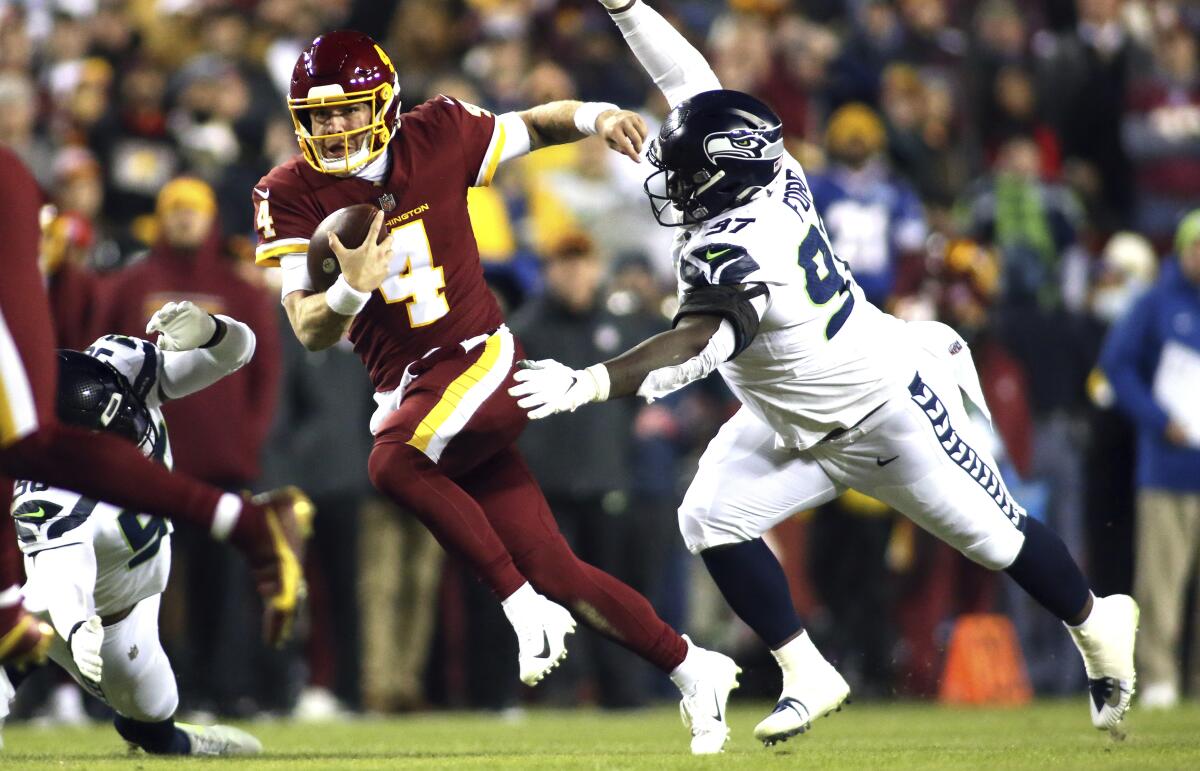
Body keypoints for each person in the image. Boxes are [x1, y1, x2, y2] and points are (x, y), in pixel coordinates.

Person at [510, 0, 1138, 746]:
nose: (668, 185)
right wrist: (625, 7)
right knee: (708, 517)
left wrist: (588, 381)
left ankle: (1101, 624)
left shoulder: (739, 247)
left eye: (683, 177)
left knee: (1000, 541)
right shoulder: (767, 167)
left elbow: (696, 343)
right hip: (790, 417)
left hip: (885, 412)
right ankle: (807, 670)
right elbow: (691, 81)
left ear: (719, 181)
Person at [251, 30, 737, 754]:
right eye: (319, 118)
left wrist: (599, 115)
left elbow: (537, 123)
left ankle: (519, 607)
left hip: (479, 360)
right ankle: (695, 665)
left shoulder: (439, 133)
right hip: (413, 392)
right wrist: (352, 287)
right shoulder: (288, 191)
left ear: (383, 103)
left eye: (348, 110)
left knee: (390, 463)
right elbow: (309, 326)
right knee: (557, 567)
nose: (334, 129)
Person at [0, 145, 305, 668]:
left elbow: (254, 360)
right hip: (126, 471)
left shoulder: (234, 285)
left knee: (31, 450)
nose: (185, 219)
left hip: (174, 460)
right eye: (176, 209)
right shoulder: (132, 281)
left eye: (195, 209)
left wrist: (246, 437)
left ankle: (223, 675)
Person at [1, 301, 276, 755]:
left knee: (152, 715)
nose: (129, 440)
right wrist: (75, 628)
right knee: (24, 627)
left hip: (135, 595)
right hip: (81, 611)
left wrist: (211, 330)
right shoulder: (48, 493)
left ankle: (172, 740)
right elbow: (59, 575)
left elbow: (241, 351)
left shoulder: (122, 363)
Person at [1100, 210, 1200, 710]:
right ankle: (1160, 677)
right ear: (1181, 250)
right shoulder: (1156, 304)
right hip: (1169, 466)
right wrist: (1160, 420)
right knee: (1162, 581)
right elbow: (1116, 366)